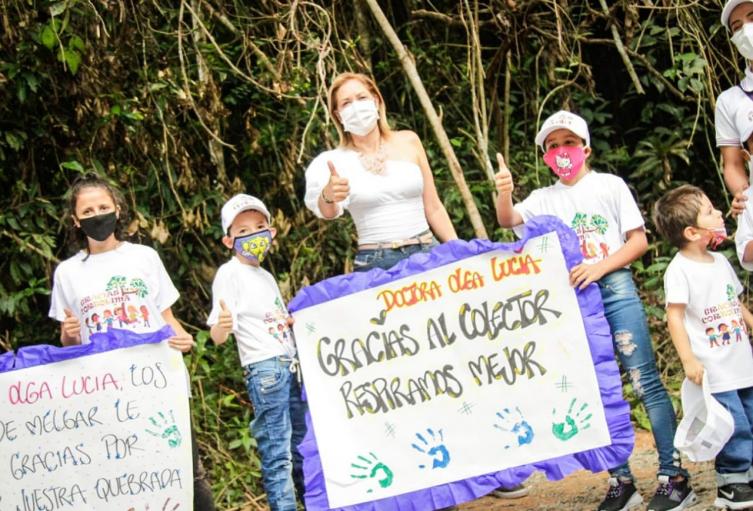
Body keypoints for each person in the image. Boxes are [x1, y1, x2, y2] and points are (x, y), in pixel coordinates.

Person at [494, 111, 692, 511]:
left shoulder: (609, 185)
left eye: (568, 142)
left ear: (585, 148)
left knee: (644, 382)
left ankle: (674, 476)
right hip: (572, 302)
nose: (561, 151)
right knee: (597, 389)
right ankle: (621, 481)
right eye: (552, 146)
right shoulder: (543, 199)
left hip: (614, 287)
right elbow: (507, 220)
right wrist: (503, 190)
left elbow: (637, 242)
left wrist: (599, 267)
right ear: (545, 155)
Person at [48, 172, 215, 510]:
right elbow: (71, 342)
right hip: (106, 392)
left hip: (158, 383)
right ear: (76, 220)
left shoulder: (144, 257)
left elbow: (167, 319)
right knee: (126, 475)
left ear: (118, 209)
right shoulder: (68, 272)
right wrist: (68, 333)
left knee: (185, 470)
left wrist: (183, 338)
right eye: (88, 211)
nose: (97, 215)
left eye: (103, 207)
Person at [653, 184, 753, 509]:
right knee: (733, 425)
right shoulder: (679, 270)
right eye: (710, 211)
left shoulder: (720, 263)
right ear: (692, 231)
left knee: (750, 417)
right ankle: (732, 482)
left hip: (742, 363)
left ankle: (747, 475)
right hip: (714, 369)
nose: (720, 213)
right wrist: (688, 361)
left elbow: (734, 303)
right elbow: (675, 317)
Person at [207, 194, 307, 511]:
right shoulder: (229, 273)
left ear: (272, 232)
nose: (254, 235)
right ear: (228, 240)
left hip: (289, 366)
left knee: (301, 446)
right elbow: (218, 336)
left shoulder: (264, 275)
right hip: (265, 370)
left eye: (260, 226)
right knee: (277, 451)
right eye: (243, 231)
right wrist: (222, 324)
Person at [303, 72, 458, 272]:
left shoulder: (409, 141)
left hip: (427, 251)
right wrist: (328, 195)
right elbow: (328, 212)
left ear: (375, 101)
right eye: (346, 103)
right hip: (376, 263)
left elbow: (434, 207)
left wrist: (457, 249)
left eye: (361, 98)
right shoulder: (332, 161)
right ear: (338, 115)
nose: (356, 107)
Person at [716, 0, 753, 216]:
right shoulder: (729, 100)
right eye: (737, 27)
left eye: (752, 17)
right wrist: (745, 198)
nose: (746, 30)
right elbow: (732, 164)